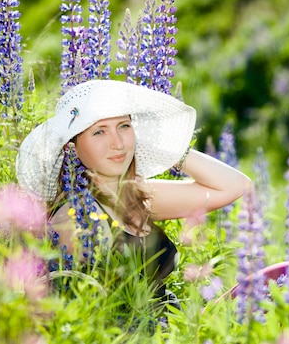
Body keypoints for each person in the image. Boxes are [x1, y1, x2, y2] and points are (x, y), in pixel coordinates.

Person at [16, 79, 251, 309]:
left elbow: (237, 186)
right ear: (72, 147)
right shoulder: (74, 219)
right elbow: (83, 317)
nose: (117, 143)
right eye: (99, 132)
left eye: (124, 126)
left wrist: (171, 152)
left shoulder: (138, 195)